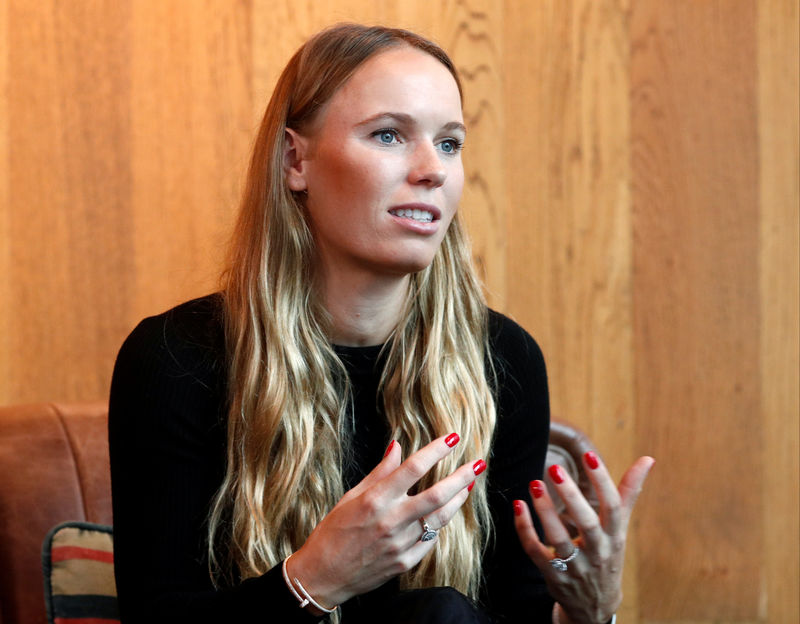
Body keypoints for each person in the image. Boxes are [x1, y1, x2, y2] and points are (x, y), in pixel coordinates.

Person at [108, 23, 654, 624]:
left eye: (450, 144)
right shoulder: (177, 358)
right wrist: (315, 578)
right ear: (296, 160)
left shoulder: (504, 357)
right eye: (390, 135)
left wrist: (587, 615)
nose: (433, 170)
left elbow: (511, 611)